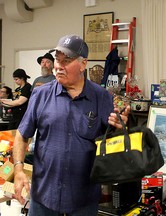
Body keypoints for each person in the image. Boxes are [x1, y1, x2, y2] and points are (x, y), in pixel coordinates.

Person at [12, 34, 130, 216]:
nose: (59, 66)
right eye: (58, 60)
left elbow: (112, 146)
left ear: (84, 64)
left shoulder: (102, 98)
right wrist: (18, 168)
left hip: (83, 199)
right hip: (44, 196)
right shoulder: (40, 95)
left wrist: (119, 131)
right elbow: (22, 134)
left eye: (66, 60)